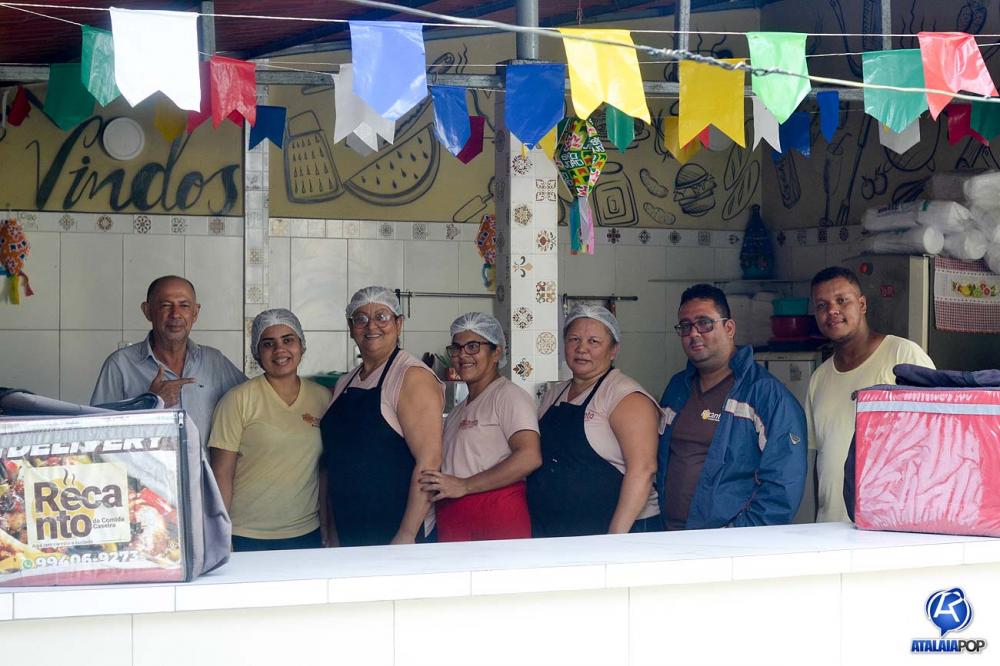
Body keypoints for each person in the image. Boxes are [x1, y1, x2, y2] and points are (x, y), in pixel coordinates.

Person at [658, 284, 806, 529]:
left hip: (728, 545)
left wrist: (736, 536)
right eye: (685, 326)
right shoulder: (677, 387)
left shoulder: (765, 394)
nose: (694, 333)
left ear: (729, 328)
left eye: (704, 323)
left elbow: (783, 487)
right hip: (668, 536)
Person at [807, 266, 935, 523]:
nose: (832, 310)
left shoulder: (902, 356)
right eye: (822, 305)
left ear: (862, 304)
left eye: (842, 300)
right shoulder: (819, 378)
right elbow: (818, 460)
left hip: (888, 529)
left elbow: (938, 441)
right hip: (829, 529)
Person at [321, 286, 443, 546]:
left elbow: (429, 462)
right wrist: (332, 531)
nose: (371, 326)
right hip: (350, 527)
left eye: (382, 317)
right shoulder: (346, 381)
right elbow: (335, 462)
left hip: (396, 531)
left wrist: (406, 535)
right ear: (351, 326)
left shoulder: (412, 377)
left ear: (399, 324)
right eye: (361, 318)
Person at [529, 304, 663, 537]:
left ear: (613, 350)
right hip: (562, 530)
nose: (581, 349)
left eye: (594, 341)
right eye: (574, 339)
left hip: (619, 532)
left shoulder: (626, 397)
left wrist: (614, 538)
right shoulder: (554, 394)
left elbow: (643, 469)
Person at [208, 309, 329, 551]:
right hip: (247, 535)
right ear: (257, 352)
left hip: (305, 532)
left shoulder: (323, 398)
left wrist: (327, 527)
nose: (280, 350)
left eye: (288, 340)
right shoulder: (237, 400)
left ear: (301, 347)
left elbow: (324, 471)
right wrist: (221, 535)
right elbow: (222, 474)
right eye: (268, 343)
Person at [420, 313, 541, 542]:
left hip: (495, 515)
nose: (462, 355)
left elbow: (529, 456)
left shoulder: (509, 396)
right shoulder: (459, 410)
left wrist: (464, 485)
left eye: (473, 347)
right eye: (456, 348)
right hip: (456, 517)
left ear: (497, 352)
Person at [91, 275, 245, 447]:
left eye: (184, 306)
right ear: (147, 311)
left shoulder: (214, 361)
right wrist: (150, 403)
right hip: (146, 474)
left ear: (195, 312)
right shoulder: (120, 365)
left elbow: (254, 403)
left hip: (203, 474)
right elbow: (96, 435)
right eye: (165, 305)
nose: (175, 314)